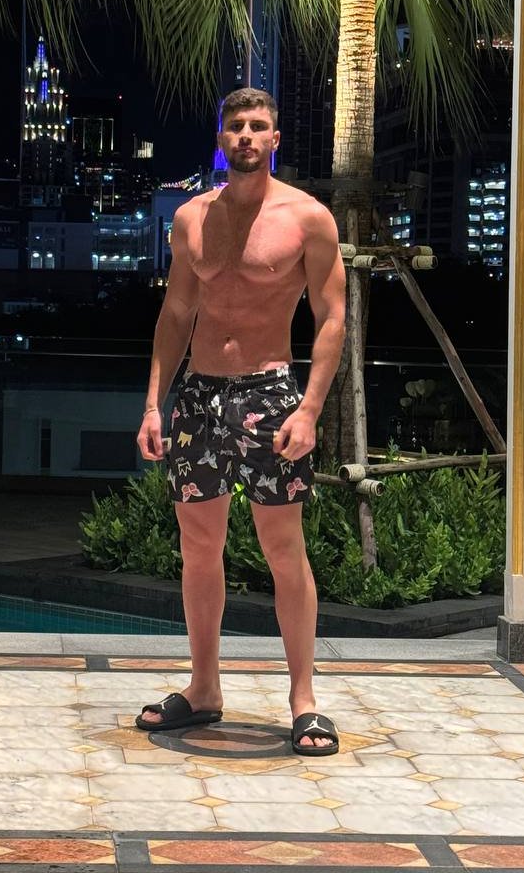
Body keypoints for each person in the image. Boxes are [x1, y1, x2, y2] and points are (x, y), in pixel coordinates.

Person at [134, 87, 346, 755]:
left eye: (258, 127)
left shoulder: (307, 218)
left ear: (275, 139)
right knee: (198, 545)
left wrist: (310, 410)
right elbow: (175, 313)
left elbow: (332, 317)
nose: (246, 136)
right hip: (200, 396)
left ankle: (304, 700)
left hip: (270, 393)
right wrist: (154, 403)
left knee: (283, 547)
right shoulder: (191, 217)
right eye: (236, 127)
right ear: (221, 139)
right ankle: (204, 688)